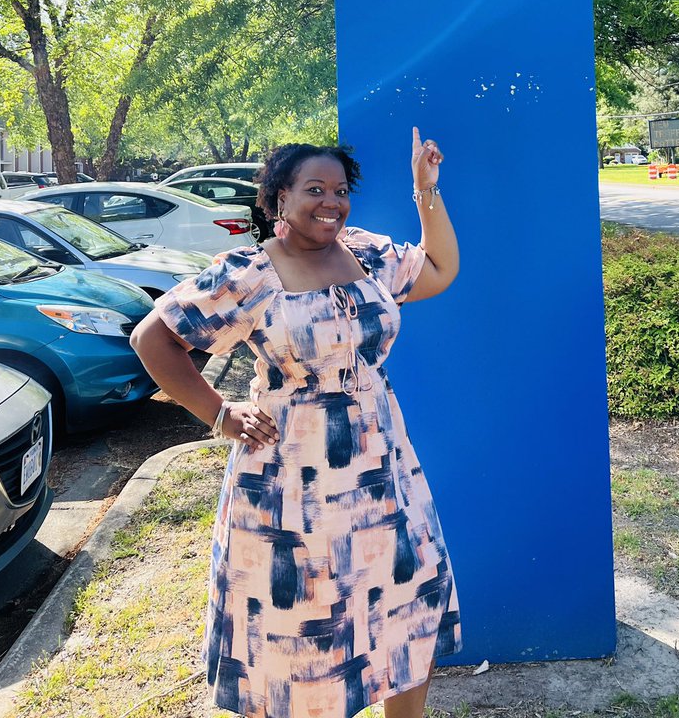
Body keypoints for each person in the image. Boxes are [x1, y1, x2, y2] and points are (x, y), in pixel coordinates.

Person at [130, 128, 461, 718]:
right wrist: (219, 412)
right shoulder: (248, 275)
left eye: (340, 190)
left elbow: (438, 269)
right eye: (314, 189)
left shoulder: (367, 253)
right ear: (278, 198)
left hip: (382, 467)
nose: (330, 202)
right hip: (290, 480)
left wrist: (424, 191)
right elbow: (152, 338)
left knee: (405, 603)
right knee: (302, 627)